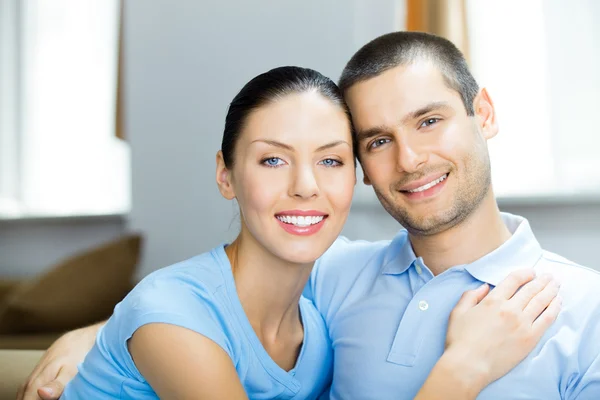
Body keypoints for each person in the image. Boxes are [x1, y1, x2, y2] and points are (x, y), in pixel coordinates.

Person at [17, 34, 572, 399]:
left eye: (330, 159)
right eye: (273, 159)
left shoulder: (326, 290)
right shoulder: (182, 315)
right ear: (226, 175)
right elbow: (169, 312)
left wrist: (94, 333)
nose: (305, 186)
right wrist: (463, 369)